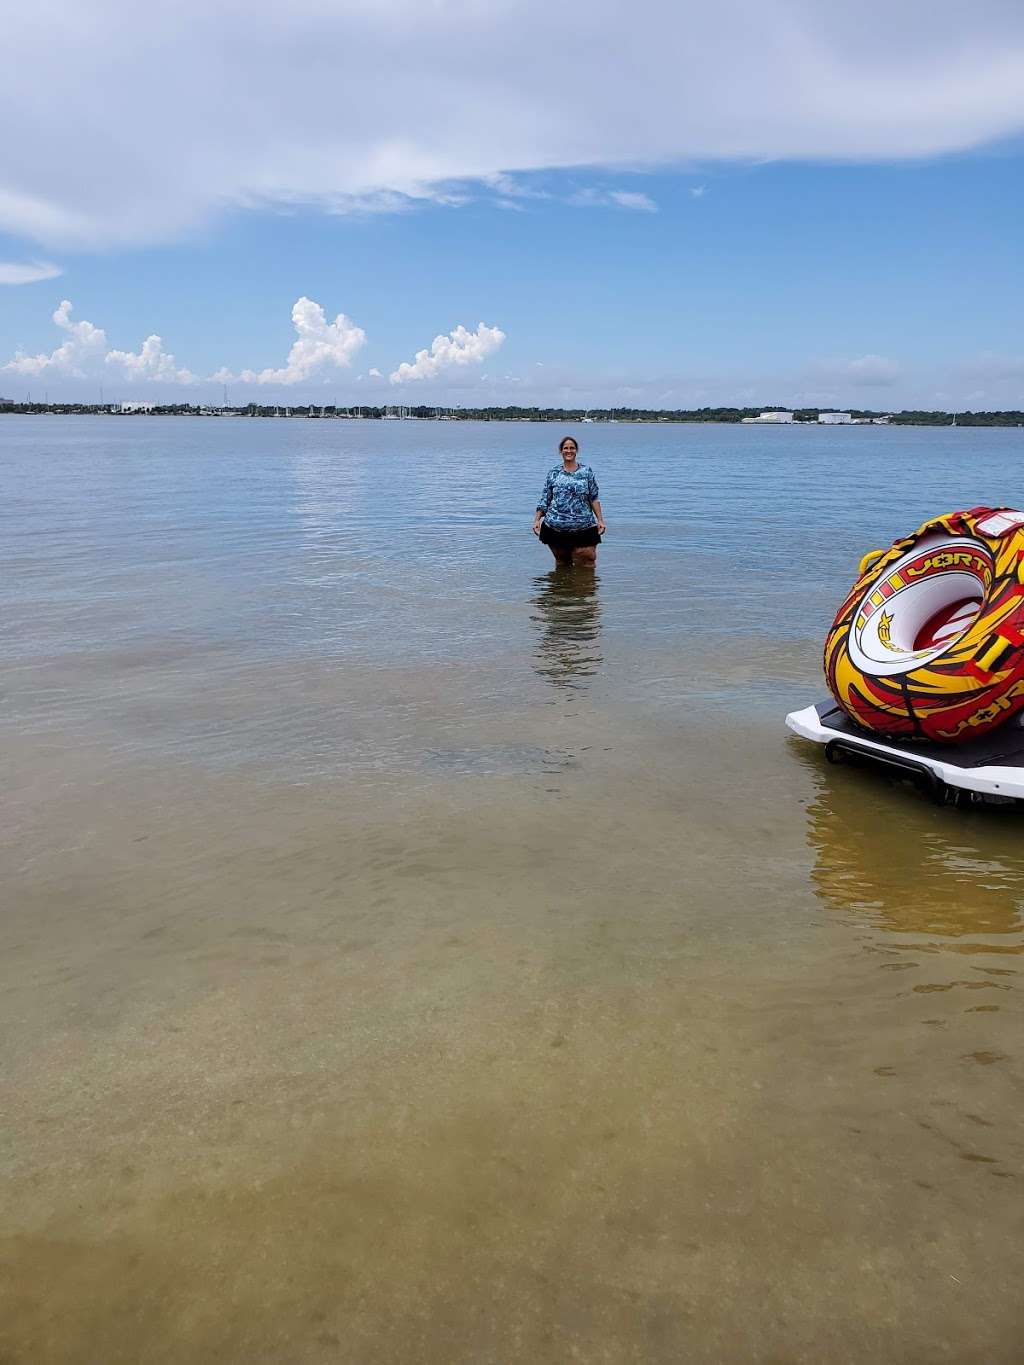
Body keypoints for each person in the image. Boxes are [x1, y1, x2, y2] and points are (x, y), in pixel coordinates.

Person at [532, 436, 606, 567]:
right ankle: (562, 587)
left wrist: (600, 520)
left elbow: (594, 497)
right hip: (555, 527)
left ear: (576, 450)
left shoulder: (586, 472)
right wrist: (537, 520)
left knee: (588, 560)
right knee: (562, 564)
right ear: (561, 451)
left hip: (584, 526)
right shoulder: (553, 473)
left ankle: (585, 587)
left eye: (572, 448)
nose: (569, 451)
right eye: (565, 448)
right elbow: (545, 498)